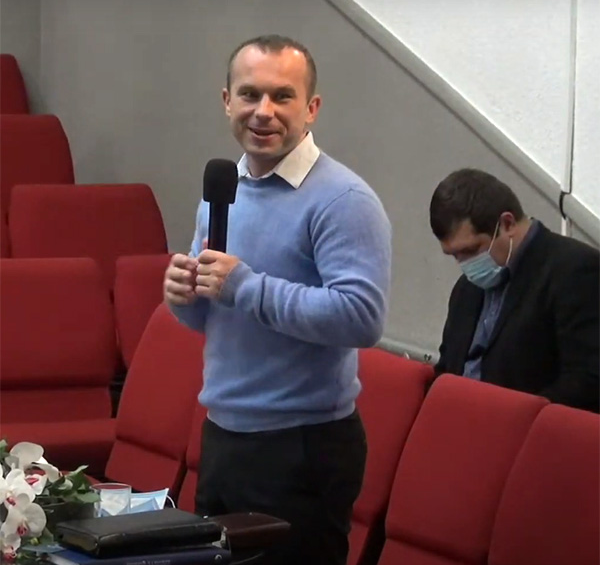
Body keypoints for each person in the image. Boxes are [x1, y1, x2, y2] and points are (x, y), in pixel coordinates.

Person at [163, 34, 392, 565]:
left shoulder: (344, 200)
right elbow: (217, 314)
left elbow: (362, 318)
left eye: (282, 96)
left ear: (311, 108)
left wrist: (246, 286)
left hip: (301, 447)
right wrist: (184, 296)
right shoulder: (223, 188)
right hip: (225, 433)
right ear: (227, 102)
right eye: (249, 94)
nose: (263, 111)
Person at [429, 168, 599, 412]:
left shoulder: (575, 270)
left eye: (471, 250)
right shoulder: (466, 290)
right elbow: (447, 369)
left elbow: (587, 381)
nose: (464, 264)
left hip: (528, 429)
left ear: (507, 224)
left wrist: (515, 418)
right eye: (454, 255)